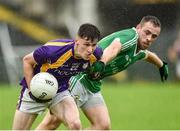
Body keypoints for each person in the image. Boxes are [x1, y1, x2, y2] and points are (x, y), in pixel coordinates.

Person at [36, 15, 169, 130]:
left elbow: (148, 55)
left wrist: (161, 65)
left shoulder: (138, 50)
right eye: (147, 32)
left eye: (154, 36)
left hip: (93, 85)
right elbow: (114, 47)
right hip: (80, 78)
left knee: (102, 126)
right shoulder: (131, 36)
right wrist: (102, 62)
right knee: (51, 123)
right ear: (138, 27)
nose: (149, 38)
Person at [12, 23, 103, 130]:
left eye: (93, 45)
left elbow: (104, 56)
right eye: (87, 44)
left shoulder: (96, 53)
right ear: (77, 40)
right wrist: (32, 89)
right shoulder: (53, 51)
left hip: (60, 92)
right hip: (35, 91)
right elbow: (27, 60)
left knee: (75, 124)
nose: (90, 50)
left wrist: (99, 67)